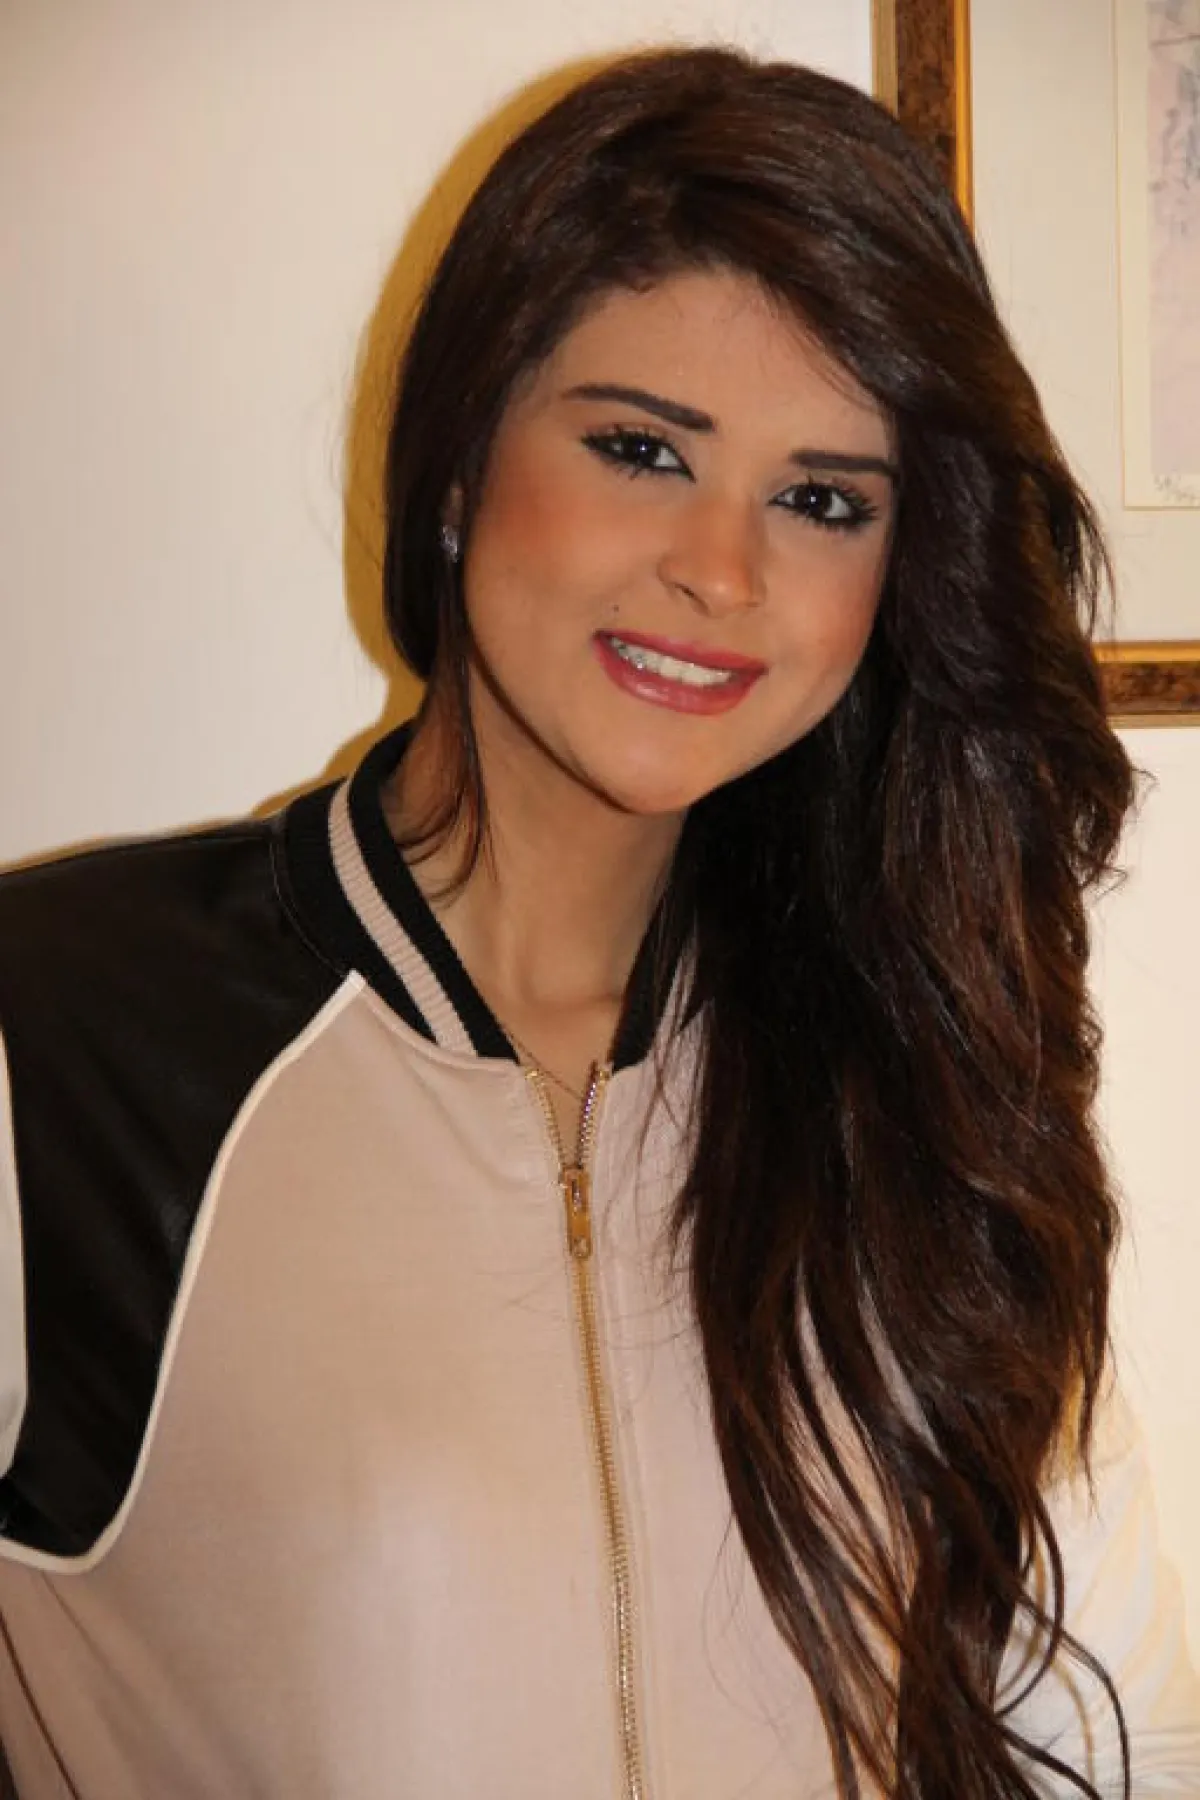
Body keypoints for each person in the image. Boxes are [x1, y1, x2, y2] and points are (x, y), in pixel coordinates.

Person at [0, 43, 1196, 1800]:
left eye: (822, 499)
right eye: (642, 449)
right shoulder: (61, 1035)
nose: (723, 570)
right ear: (461, 460)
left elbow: (1115, 1729)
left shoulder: (922, 1070)